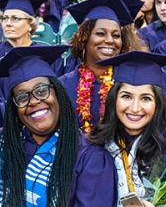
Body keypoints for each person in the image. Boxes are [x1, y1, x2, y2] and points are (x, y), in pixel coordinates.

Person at [0, 45, 117, 206]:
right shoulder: (4, 145)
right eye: (22, 97)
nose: (33, 101)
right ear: (15, 109)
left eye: (41, 91)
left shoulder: (89, 157)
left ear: (59, 95)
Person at [87, 51, 166, 207]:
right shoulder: (97, 145)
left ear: (158, 103)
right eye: (126, 96)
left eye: (145, 98)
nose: (135, 108)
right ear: (114, 99)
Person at [59, 0, 145, 132]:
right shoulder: (63, 86)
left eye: (116, 36)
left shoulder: (132, 82)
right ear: (84, 37)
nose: (110, 41)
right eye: (100, 33)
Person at [0, 0, 64, 103]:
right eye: (5, 18)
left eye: (15, 18)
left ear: (30, 25)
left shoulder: (48, 56)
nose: (8, 23)